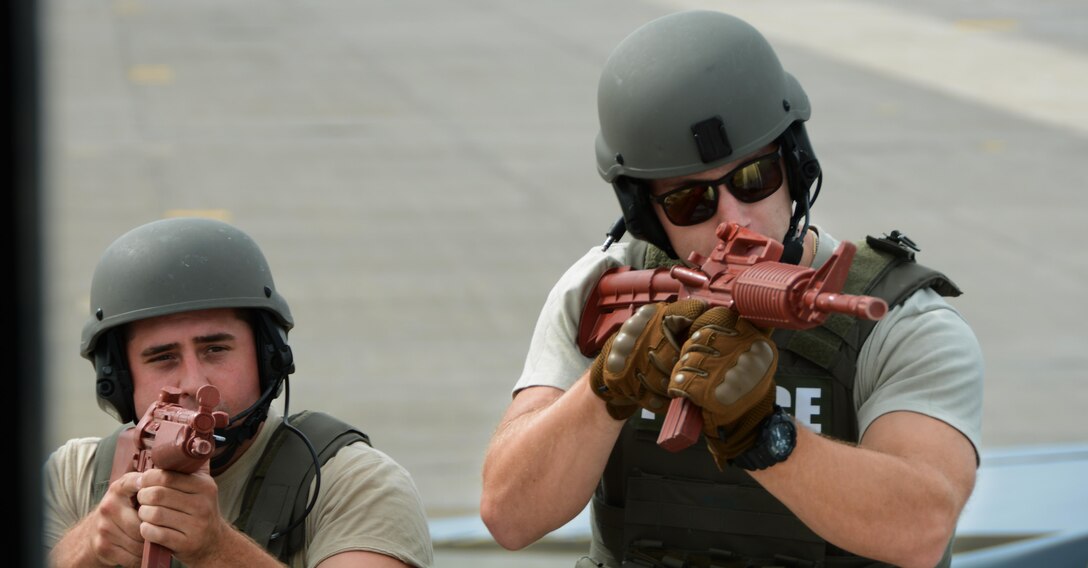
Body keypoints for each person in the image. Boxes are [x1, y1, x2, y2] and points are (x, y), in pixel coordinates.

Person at [480, 10, 982, 568]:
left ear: (795, 165)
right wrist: (606, 391)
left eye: (753, 179)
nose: (733, 217)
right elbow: (511, 514)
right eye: (690, 201)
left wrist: (762, 436)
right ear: (645, 213)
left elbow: (921, 529)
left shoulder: (899, 322)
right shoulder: (604, 289)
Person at [44, 216, 434, 568]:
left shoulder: (353, 484)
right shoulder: (74, 479)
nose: (195, 383)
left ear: (268, 360)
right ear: (121, 380)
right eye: (163, 358)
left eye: (216, 349)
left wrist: (218, 551)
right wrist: (85, 549)